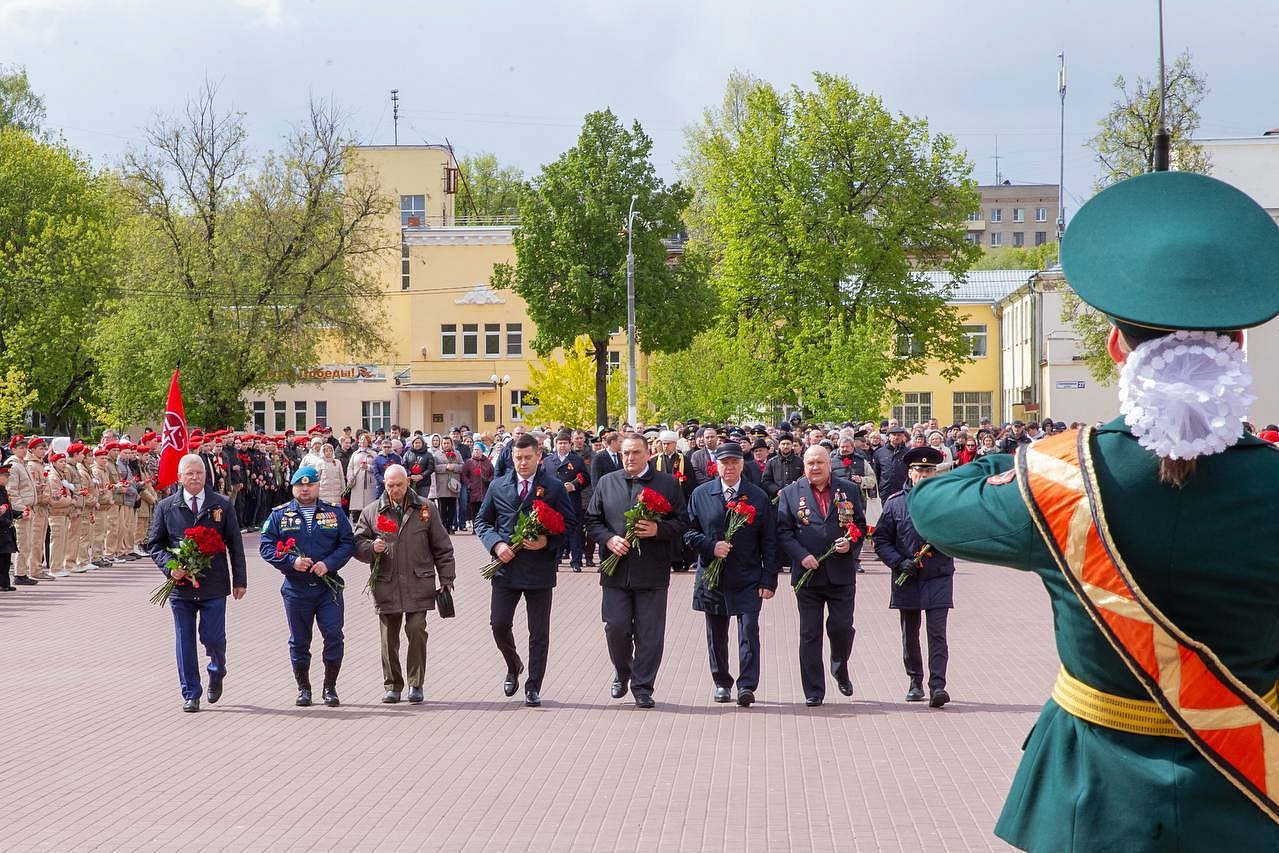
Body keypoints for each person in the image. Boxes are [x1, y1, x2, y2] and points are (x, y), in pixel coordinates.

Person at [911, 170, 1279, 850]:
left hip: (1091, 803)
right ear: (1237, 348)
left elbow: (931, 506)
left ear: (1115, 350)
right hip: (1250, 797)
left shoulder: (1060, 478)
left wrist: (1024, 455)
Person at [586, 433, 687, 708]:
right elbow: (592, 520)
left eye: (635, 453)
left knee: (649, 633)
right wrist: (608, 538)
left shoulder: (666, 483)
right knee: (615, 627)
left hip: (651, 571)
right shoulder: (608, 482)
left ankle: (643, 686)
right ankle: (622, 671)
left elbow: (682, 522)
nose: (629, 458)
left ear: (647, 454)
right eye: (625, 453)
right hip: (615, 570)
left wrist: (658, 530)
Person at [474, 433, 574, 707]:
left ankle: (533, 685)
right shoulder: (498, 486)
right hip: (506, 567)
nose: (522, 463)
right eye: (518, 458)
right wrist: (496, 545)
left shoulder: (552, 487)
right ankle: (513, 663)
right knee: (499, 623)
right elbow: (482, 521)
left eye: (528, 457)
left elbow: (570, 525)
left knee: (538, 631)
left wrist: (547, 541)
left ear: (539, 456)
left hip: (539, 569)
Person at [145, 454, 247, 712]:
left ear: (206, 476)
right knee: (184, 640)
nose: (194, 477)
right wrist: (170, 568)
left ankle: (217, 670)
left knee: (213, 638)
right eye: (189, 473)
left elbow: (235, 544)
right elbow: (154, 544)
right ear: (179, 477)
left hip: (213, 584)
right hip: (181, 589)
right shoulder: (167, 506)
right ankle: (191, 692)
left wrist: (240, 580)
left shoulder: (221, 504)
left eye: (199, 473)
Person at [684, 441, 778, 706]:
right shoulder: (701, 494)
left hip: (747, 574)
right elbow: (688, 531)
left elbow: (769, 541)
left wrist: (768, 578)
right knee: (716, 632)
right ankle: (722, 682)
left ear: (741, 465)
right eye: (725, 463)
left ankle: (747, 685)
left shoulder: (757, 496)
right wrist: (710, 546)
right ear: (717, 466)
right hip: (712, 575)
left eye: (735, 462)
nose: (730, 467)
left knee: (749, 629)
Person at [353, 464, 455, 704]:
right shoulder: (372, 512)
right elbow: (356, 543)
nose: (395, 490)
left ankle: (416, 684)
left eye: (399, 484)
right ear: (384, 485)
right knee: (389, 637)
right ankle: (392, 685)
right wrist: (371, 548)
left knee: (417, 630)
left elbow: (442, 546)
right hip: (386, 583)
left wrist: (447, 579)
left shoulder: (426, 508)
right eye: (390, 485)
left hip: (418, 581)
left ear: (407, 482)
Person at [776, 445, 866, 706]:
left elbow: (859, 525)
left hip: (841, 574)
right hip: (808, 575)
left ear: (829, 464)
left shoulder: (847, 489)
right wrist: (801, 555)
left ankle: (840, 664)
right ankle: (814, 690)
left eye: (820, 462)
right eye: (810, 463)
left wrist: (851, 544)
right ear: (804, 466)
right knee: (810, 634)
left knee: (841, 628)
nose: (815, 467)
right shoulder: (791, 493)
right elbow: (783, 532)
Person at [259, 466, 355, 707]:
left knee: (333, 636)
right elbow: (266, 546)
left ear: (317, 486)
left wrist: (328, 563)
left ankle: (330, 687)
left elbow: (347, 543)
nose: (304, 489)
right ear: (293, 487)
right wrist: (292, 561)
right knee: (299, 641)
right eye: (300, 485)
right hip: (296, 589)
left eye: (309, 484)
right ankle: (304, 688)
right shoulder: (280, 515)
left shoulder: (334, 513)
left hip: (328, 587)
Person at [872, 446, 954, 707]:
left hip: (938, 575)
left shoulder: (946, 502)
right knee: (910, 632)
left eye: (930, 470)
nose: (926, 474)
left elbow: (958, 534)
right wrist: (899, 562)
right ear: (911, 472)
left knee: (937, 633)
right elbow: (881, 540)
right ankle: (915, 680)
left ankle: (938, 684)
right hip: (907, 576)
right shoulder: (895, 503)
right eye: (921, 470)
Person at [543, 430, 589, 572]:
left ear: (570, 444)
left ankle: (576, 562)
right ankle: (554, 561)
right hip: (554, 503)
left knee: (575, 532)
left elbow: (586, 478)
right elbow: (541, 480)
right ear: (555, 444)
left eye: (565, 443)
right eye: (560, 443)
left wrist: (574, 486)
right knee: (555, 531)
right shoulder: (548, 461)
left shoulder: (577, 460)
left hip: (572, 501)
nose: (562, 446)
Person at [461, 444, 493, 528]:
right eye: (475, 449)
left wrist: (489, 480)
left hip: (485, 490)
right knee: (474, 510)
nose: (476, 451)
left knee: (484, 510)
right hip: (473, 491)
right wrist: (469, 484)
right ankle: (475, 527)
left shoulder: (487, 461)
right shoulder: (469, 462)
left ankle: (483, 526)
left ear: (482, 451)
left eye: (478, 450)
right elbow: (464, 475)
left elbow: (493, 474)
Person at [0, 462, 18, 591]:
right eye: (5, 475)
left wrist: (19, 514)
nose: (7, 478)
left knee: (6, 558)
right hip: (2, 529)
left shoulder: (3, 490)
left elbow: (8, 509)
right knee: (1, 559)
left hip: (6, 530)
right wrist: (7, 522)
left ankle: (5, 583)